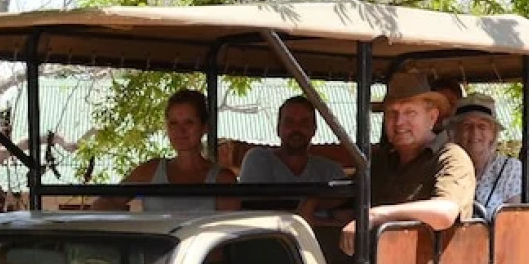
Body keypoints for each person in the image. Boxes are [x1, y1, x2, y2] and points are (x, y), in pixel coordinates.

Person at [341, 72, 474, 253]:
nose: (399, 122)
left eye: (410, 112)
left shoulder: (451, 157)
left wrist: (375, 215)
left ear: (432, 117)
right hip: (381, 261)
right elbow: (348, 201)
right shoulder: (380, 161)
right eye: (392, 113)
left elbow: (445, 212)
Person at [94, 88, 236, 212]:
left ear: (204, 127)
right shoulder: (150, 170)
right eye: (173, 123)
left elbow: (227, 227)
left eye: (189, 122)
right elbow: (105, 202)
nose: (181, 130)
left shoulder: (223, 180)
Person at [238, 95, 347, 220]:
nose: (296, 128)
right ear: (278, 128)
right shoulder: (258, 160)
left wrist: (313, 202)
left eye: (304, 123)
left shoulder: (331, 170)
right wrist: (313, 202)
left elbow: (346, 214)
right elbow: (257, 211)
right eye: (289, 122)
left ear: (314, 130)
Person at [449, 93, 521, 218]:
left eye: (482, 126)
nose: (474, 132)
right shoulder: (446, 167)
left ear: (493, 134)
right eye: (467, 125)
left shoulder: (509, 169)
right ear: (456, 133)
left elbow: (515, 219)